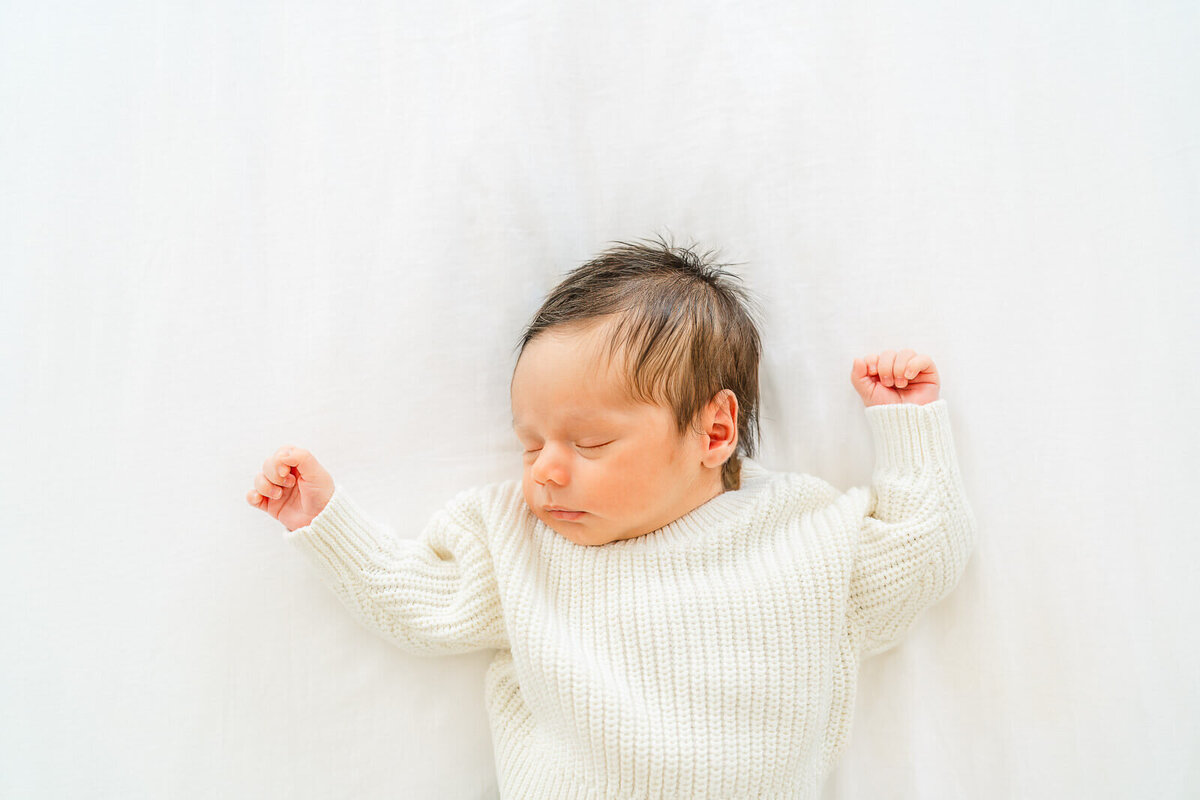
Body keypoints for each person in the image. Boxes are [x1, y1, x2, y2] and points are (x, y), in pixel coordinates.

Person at [246, 236, 976, 799]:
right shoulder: (521, 543)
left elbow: (925, 555)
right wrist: (323, 518)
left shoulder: (802, 533)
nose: (546, 470)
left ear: (714, 433)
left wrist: (909, 427)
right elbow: (422, 605)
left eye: (588, 442)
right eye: (529, 443)